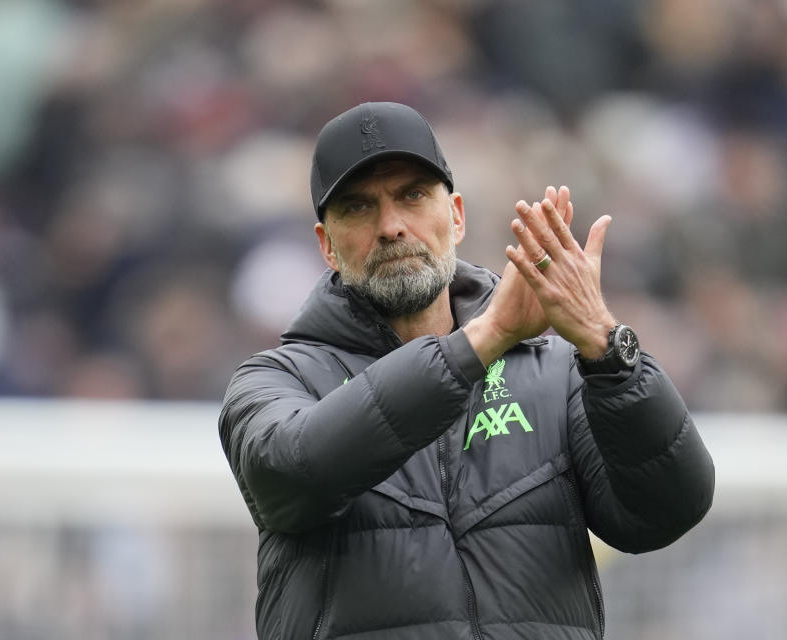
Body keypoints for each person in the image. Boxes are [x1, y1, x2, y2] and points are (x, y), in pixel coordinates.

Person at [219, 101, 715, 640]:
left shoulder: (562, 375)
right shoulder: (275, 381)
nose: (391, 226)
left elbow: (666, 512)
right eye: (359, 207)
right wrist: (482, 341)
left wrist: (608, 349)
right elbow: (292, 473)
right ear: (327, 246)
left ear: (456, 215)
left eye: (412, 195)